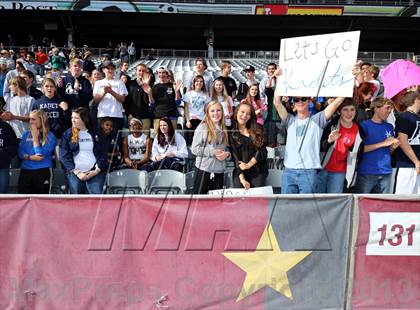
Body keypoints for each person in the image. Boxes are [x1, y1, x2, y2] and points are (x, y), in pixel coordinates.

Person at [273, 68, 345, 194]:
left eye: (303, 99)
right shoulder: (289, 120)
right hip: (289, 171)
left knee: (307, 209)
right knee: (287, 207)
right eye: (296, 100)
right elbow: (277, 103)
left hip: (309, 172)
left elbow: (336, 103)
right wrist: (279, 79)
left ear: (309, 100)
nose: (300, 102)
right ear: (293, 104)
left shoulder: (318, 120)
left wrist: (350, 80)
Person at [317, 98, 365, 193]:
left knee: (334, 201)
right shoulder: (331, 125)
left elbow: (359, 155)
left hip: (339, 172)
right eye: (345, 109)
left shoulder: (359, 131)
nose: (349, 113)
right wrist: (329, 141)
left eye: (352, 109)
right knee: (318, 200)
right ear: (339, 112)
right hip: (322, 168)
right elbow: (319, 147)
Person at [354, 98, 400, 194]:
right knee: (362, 203)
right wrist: (384, 143)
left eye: (391, 108)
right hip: (367, 172)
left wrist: (393, 147)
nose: (390, 111)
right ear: (376, 109)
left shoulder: (389, 127)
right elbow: (359, 150)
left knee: (382, 206)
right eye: (387, 108)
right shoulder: (364, 126)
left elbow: (389, 151)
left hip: (386, 172)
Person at [60, 107, 108, 194]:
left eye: (76, 118)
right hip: (74, 173)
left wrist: (96, 171)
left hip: (95, 172)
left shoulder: (97, 133)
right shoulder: (68, 134)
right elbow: (64, 156)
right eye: (72, 117)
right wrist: (77, 172)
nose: (73, 120)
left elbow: (103, 154)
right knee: (75, 199)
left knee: (96, 198)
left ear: (84, 119)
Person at [192, 101, 231, 194]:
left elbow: (227, 149)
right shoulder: (202, 127)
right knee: (200, 201)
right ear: (208, 113)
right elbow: (194, 149)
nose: (216, 113)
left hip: (219, 171)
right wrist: (213, 152)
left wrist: (227, 155)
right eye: (212, 111)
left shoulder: (224, 129)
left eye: (218, 110)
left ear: (222, 112)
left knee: (216, 204)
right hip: (204, 169)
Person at [18, 109, 57, 194]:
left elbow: (40, 155)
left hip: (43, 171)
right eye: (30, 119)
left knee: (42, 200)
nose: (30, 122)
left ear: (42, 120)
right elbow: (20, 151)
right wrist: (30, 157)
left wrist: (35, 138)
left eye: (33, 119)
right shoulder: (26, 134)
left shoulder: (50, 136)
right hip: (26, 171)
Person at [229, 103, 268, 190]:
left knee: (256, 189)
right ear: (236, 113)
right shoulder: (231, 132)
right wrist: (242, 179)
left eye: (248, 114)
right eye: (242, 112)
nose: (244, 115)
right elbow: (235, 158)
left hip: (257, 167)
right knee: (239, 187)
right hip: (240, 170)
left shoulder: (258, 129)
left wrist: (249, 165)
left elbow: (262, 151)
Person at [393, 91, 420, 194]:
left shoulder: (417, 117)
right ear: (416, 100)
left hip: (416, 165)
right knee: (402, 197)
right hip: (405, 166)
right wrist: (416, 162)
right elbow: (403, 141)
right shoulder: (404, 117)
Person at [93, 60, 128, 131]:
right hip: (102, 114)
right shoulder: (98, 83)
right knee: (102, 139)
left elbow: (123, 99)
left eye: (112, 68)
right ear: (103, 70)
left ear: (115, 70)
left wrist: (111, 92)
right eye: (108, 68)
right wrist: (104, 92)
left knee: (116, 139)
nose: (110, 70)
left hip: (116, 115)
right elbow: (95, 100)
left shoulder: (120, 83)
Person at [151, 66, 180, 135]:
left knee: (173, 138)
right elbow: (152, 104)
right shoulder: (155, 87)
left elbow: (178, 103)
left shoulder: (173, 86)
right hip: (158, 116)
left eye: (163, 72)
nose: (161, 75)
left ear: (167, 74)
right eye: (159, 73)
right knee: (157, 138)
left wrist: (176, 91)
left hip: (171, 116)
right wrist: (149, 94)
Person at [125, 63, 153, 135]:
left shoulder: (150, 85)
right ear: (136, 72)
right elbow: (126, 101)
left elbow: (147, 101)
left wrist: (145, 85)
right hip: (133, 117)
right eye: (139, 70)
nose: (141, 72)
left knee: (146, 139)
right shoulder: (129, 84)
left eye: (143, 71)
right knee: (133, 139)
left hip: (145, 116)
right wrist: (129, 114)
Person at [183, 75, 211, 145]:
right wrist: (187, 121)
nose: (199, 83)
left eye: (201, 81)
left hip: (201, 120)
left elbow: (206, 110)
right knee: (190, 141)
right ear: (194, 83)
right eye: (197, 81)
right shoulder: (188, 94)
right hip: (191, 120)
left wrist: (205, 120)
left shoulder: (206, 95)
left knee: (200, 141)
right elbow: (186, 109)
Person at [0, 116, 18, 193]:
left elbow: (14, 144)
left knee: (3, 193)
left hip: (3, 164)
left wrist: (4, 153)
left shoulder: (5, 126)